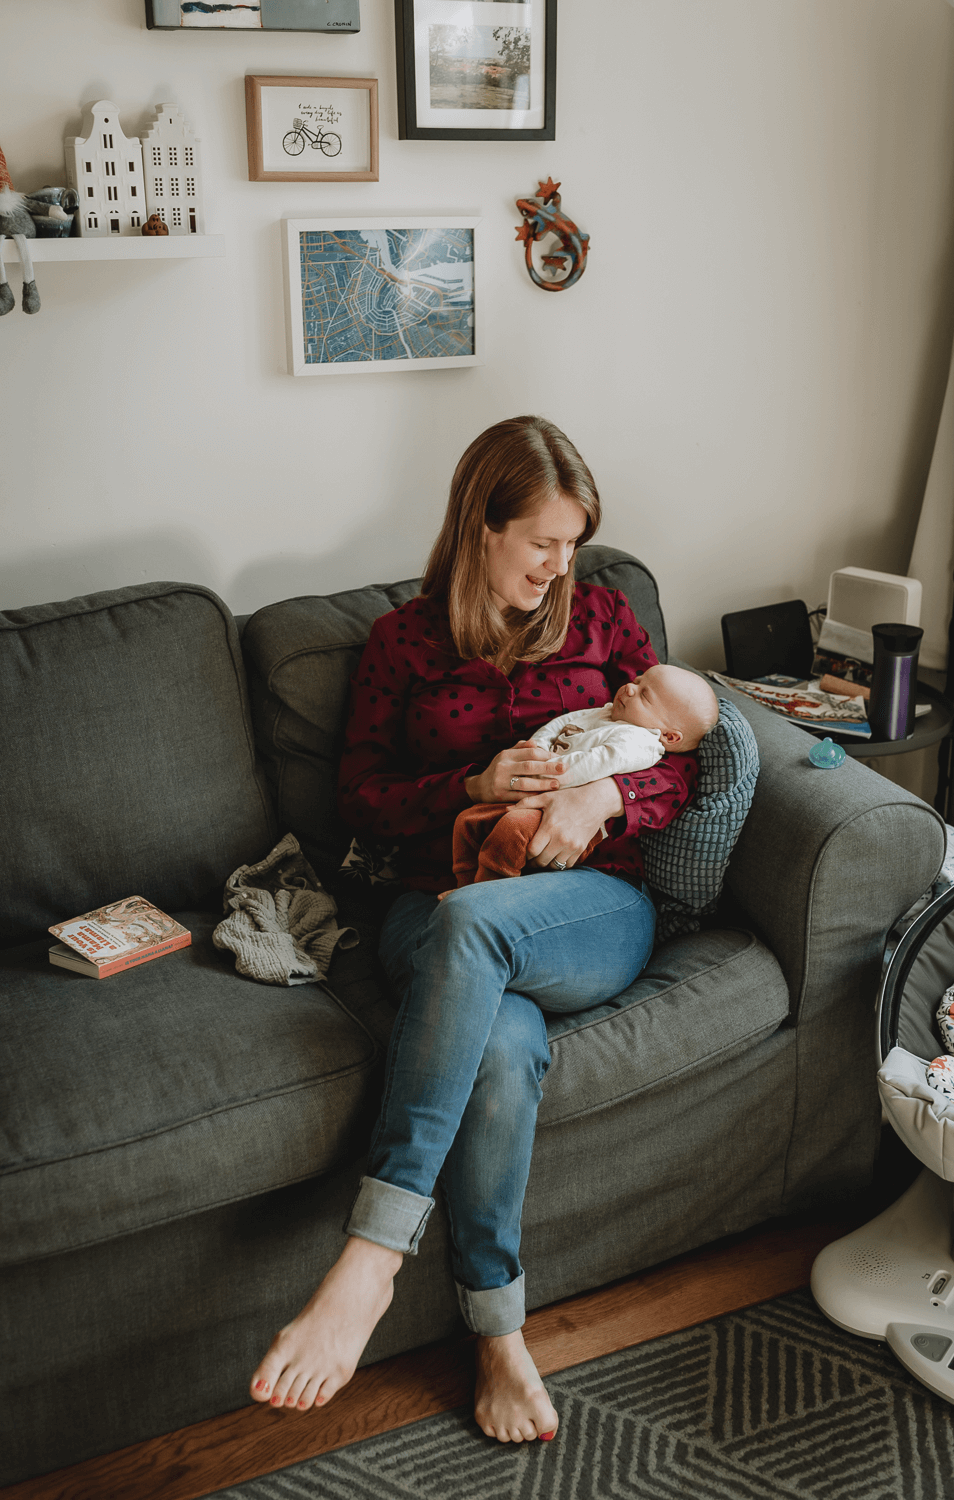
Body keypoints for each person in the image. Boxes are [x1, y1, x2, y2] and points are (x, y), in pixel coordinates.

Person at [249, 415, 699, 1443]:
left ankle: (369, 1259)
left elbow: (681, 742)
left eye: (573, 542)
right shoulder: (401, 643)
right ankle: (498, 1333)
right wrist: (470, 781)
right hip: (431, 906)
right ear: (479, 526)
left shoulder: (607, 620)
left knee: (482, 934)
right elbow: (357, 799)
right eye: (542, 540)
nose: (560, 564)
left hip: (590, 908)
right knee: (495, 1034)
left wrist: (605, 806)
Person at [448, 663, 718, 887]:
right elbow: (562, 724)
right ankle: (464, 885)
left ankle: (488, 891)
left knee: (511, 832)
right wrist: (536, 749)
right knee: (466, 822)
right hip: (533, 791)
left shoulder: (641, 741)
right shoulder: (608, 713)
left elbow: (597, 762)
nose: (629, 687)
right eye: (637, 680)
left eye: (644, 695)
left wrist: (552, 772)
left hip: (562, 815)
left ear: (670, 736)